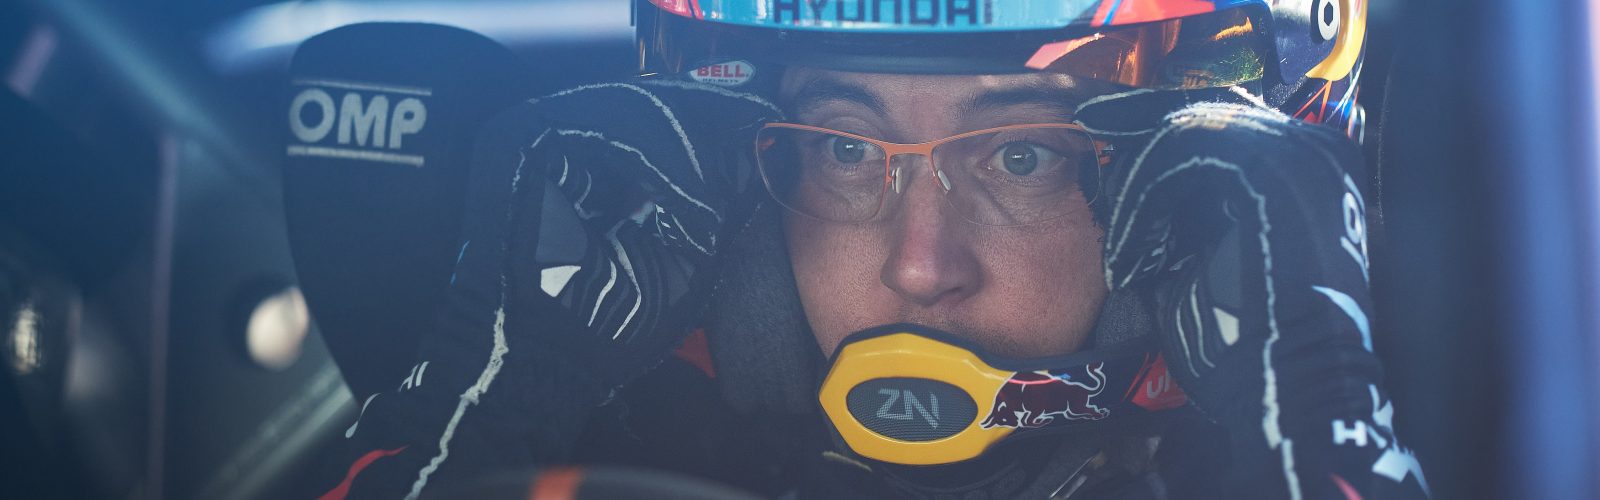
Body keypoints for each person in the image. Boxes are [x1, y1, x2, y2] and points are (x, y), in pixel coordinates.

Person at [310, 1, 1430, 498]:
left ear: (1204, 189)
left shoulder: (1489, 420)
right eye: (845, 148)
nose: (919, 262)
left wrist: (1321, 425)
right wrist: (474, 414)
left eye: (1023, 157)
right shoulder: (637, 436)